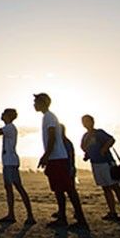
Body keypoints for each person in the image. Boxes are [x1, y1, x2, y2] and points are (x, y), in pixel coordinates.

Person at [34, 93, 88, 230]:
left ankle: (81, 220)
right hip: (55, 158)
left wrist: (46, 155)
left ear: (43, 102)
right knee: (58, 190)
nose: (34, 104)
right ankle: (62, 218)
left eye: (36, 101)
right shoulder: (47, 117)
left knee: (69, 190)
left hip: (57, 158)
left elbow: (51, 137)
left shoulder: (49, 117)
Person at [0, 109, 36, 225]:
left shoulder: (10, 127)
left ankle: (26, 215)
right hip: (9, 162)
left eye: (3, 113)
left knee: (15, 188)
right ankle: (15, 214)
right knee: (11, 188)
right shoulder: (9, 128)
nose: (1, 115)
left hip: (10, 163)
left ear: (8, 116)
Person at [81, 115, 120, 221]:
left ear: (92, 122)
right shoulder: (85, 136)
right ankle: (112, 212)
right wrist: (88, 154)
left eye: (87, 121)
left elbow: (111, 140)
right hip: (96, 163)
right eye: (84, 122)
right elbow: (84, 147)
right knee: (106, 188)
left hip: (106, 163)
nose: (85, 123)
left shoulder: (98, 133)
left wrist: (103, 149)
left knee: (115, 186)